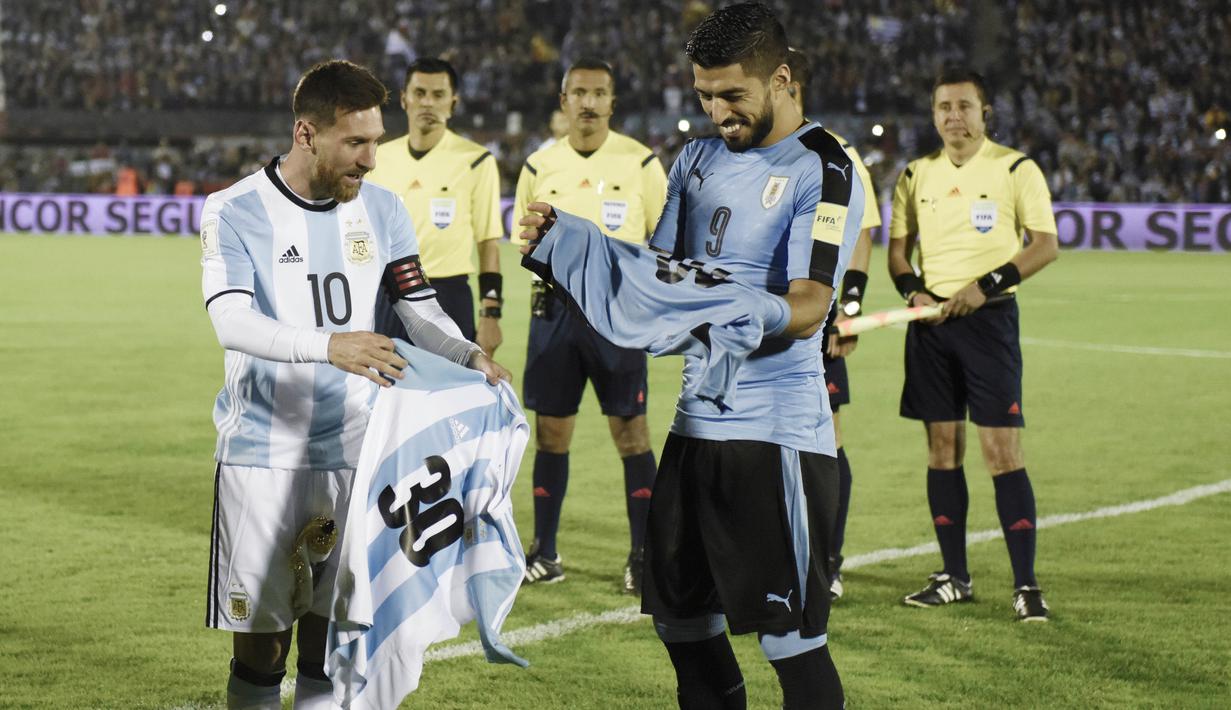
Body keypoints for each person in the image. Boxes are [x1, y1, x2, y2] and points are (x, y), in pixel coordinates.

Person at [522, 4, 862, 706]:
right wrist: (576, 244)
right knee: (683, 629)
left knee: (790, 644)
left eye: (732, 95)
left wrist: (738, 305)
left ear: (782, 78)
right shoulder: (697, 158)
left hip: (774, 439)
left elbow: (805, 309)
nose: (716, 111)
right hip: (694, 429)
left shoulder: (822, 167)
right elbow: (663, 283)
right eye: (704, 95)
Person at [199, 59, 509, 710]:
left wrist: (469, 357)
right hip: (264, 458)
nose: (372, 158)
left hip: (355, 457)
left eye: (376, 140)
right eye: (357, 142)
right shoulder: (233, 211)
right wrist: (328, 345)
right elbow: (229, 319)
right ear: (307, 134)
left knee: (331, 635)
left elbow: (417, 306)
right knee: (262, 644)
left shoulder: (384, 209)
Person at [888, 67, 1059, 621]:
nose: (953, 116)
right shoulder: (914, 175)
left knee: (1001, 453)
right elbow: (897, 253)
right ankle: (953, 576)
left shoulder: (1015, 168)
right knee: (942, 451)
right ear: (933, 115)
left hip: (989, 324)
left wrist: (984, 287)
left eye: (964, 106)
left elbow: (1044, 246)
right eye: (943, 107)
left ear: (985, 113)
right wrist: (913, 291)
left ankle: (1026, 585)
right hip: (932, 327)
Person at [512, 57, 668, 594]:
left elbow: (665, 242)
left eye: (599, 93)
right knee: (551, 435)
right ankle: (545, 551)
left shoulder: (641, 163)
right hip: (554, 313)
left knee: (632, 434)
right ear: (563, 101)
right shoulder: (538, 165)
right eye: (578, 92)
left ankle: (643, 556)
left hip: (618, 315)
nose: (588, 102)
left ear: (612, 101)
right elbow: (524, 244)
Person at [785, 47, 879, 600]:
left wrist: (851, 307)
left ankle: (829, 559)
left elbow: (862, 231)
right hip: (761, 318)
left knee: (826, 437)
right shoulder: (749, 149)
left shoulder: (835, 153)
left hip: (816, 319)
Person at [369, 57, 505, 356]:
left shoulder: (476, 161)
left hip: (448, 295)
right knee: (387, 396)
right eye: (419, 93)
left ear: (453, 103)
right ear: (404, 99)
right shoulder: (377, 159)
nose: (428, 103)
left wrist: (491, 313)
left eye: (438, 95)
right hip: (387, 294)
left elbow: (488, 243)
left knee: (451, 398)